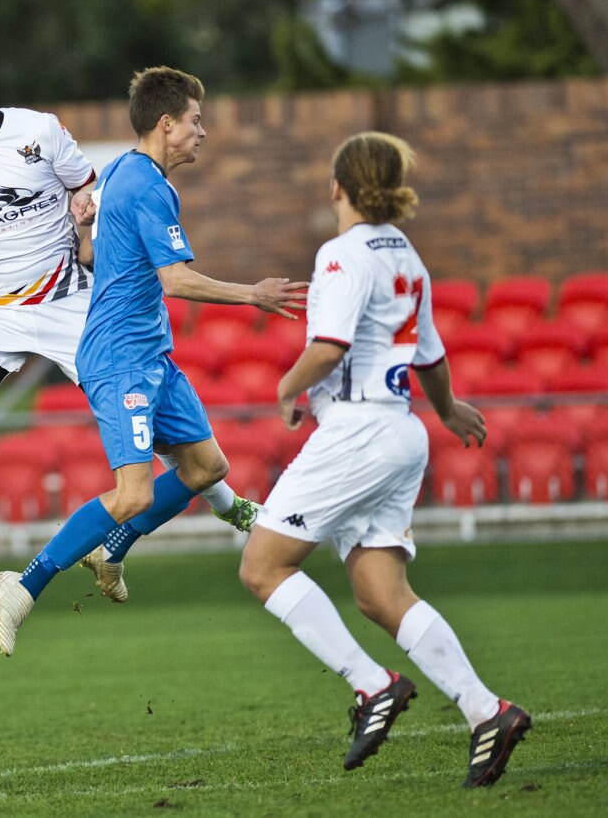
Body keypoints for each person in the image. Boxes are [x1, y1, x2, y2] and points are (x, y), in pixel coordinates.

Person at [0, 38, 258, 640]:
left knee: (146, 401)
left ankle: (229, 502)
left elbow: (85, 196)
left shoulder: (40, 133)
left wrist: (84, 220)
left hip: (67, 298)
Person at [238, 132, 531, 788]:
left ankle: (372, 685)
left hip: (357, 431)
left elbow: (331, 344)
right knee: (380, 593)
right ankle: (489, 710)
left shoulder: (341, 256)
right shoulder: (407, 254)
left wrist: (287, 387)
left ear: (336, 187)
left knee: (262, 566)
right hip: (400, 432)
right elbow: (427, 352)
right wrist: (449, 408)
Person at [0, 66, 309, 656]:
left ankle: (110, 547)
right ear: (167, 124)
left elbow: (92, 254)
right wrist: (253, 295)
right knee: (132, 493)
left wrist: (85, 231)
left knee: (206, 467)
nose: (202, 133)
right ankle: (23, 583)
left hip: (151, 355)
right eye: (195, 121)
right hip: (119, 358)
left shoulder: (120, 175)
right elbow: (175, 279)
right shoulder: (146, 186)